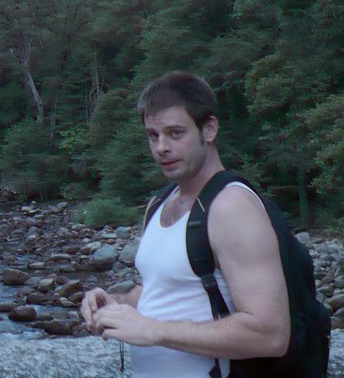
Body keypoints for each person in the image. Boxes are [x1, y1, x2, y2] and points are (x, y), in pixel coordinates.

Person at [79, 71, 289, 377]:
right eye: (153, 135)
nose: (161, 147)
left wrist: (155, 331)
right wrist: (115, 304)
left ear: (209, 129)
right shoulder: (159, 203)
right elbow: (166, 290)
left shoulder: (231, 207)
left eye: (175, 133)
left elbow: (270, 334)